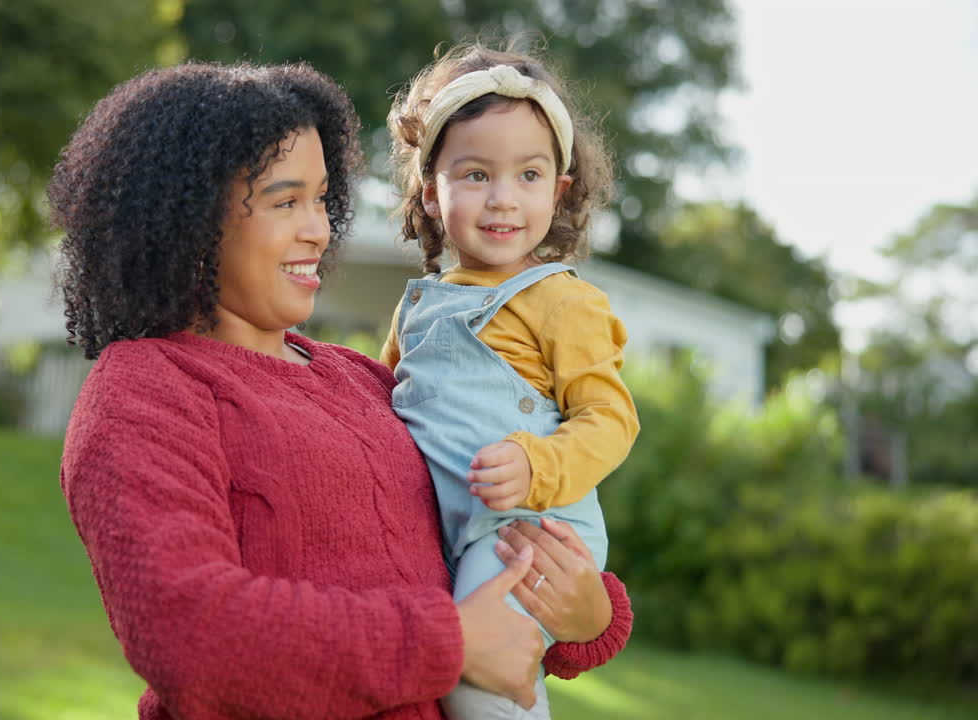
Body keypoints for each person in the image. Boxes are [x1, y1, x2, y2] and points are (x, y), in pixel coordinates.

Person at [50, 60, 632, 719]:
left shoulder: (367, 381)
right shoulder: (145, 392)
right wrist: (450, 642)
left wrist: (590, 616)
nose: (319, 229)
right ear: (190, 219)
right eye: (285, 201)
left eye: (322, 199)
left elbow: (470, 563)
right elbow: (191, 634)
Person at [381, 43, 641, 719]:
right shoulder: (419, 307)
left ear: (558, 191)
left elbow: (611, 420)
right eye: (476, 174)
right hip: (457, 532)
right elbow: (379, 408)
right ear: (431, 191)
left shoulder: (563, 301)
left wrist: (535, 465)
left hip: (530, 530)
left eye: (528, 175)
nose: (503, 198)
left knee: (478, 681)